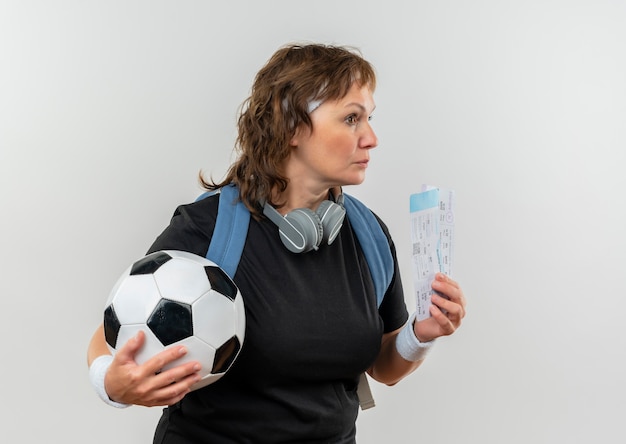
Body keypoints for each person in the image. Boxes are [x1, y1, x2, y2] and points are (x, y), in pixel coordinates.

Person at [87, 43, 466, 443]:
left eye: (369, 118)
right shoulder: (207, 230)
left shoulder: (368, 234)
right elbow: (112, 333)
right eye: (351, 118)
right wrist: (109, 384)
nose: (371, 137)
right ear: (292, 128)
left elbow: (383, 367)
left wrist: (421, 334)